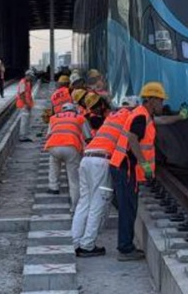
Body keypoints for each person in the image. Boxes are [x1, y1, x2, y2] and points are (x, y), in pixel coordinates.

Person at [71, 82, 168, 260]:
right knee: (99, 204)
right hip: (102, 161)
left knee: (84, 202)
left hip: (87, 158)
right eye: (160, 101)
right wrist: (145, 165)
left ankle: (75, 242)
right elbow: (135, 136)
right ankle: (87, 246)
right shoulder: (134, 116)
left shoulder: (113, 116)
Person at [44, 102, 87, 208]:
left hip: (53, 146)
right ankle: (75, 205)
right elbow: (88, 136)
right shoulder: (80, 117)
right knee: (73, 178)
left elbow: (48, 134)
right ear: (74, 110)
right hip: (71, 146)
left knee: (54, 161)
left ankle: (53, 186)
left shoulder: (54, 117)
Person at [15, 70, 36, 141]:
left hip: (27, 104)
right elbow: (22, 95)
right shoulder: (22, 83)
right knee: (24, 120)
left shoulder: (28, 83)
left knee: (27, 120)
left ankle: (25, 135)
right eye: (30, 77)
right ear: (27, 75)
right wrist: (26, 104)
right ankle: (22, 136)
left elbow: (29, 95)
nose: (31, 78)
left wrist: (30, 104)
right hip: (24, 104)